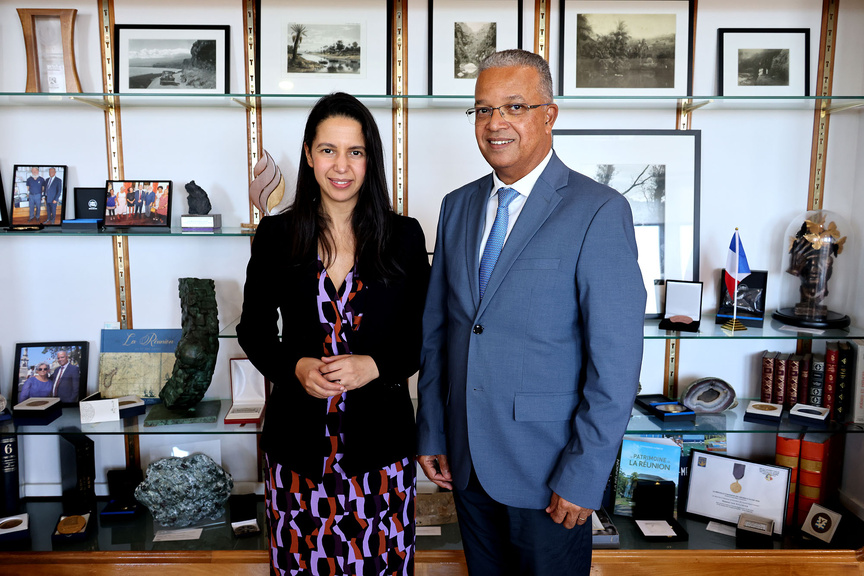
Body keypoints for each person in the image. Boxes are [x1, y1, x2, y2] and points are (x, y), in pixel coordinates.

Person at [416, 49, 646, 576]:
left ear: (549, 115)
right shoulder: (458, 206)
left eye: (514, 107)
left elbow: (615, 364)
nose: (495, 123)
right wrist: (432, 429)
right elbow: (439, 330)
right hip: (466, 462)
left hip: (551, 474)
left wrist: (586, 474)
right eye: (482, 109)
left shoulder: (599, 210)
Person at [237, 92, 430, 575]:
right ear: (308, 154)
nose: (341, 166)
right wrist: (295, 367)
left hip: (380, 459)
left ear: (370, 159)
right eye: (328, 150)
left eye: (355, 152)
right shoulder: (277, 237)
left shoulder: (404, 237)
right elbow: (253, 330)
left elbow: (426, 333)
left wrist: (376, 365)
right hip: (297, 458)